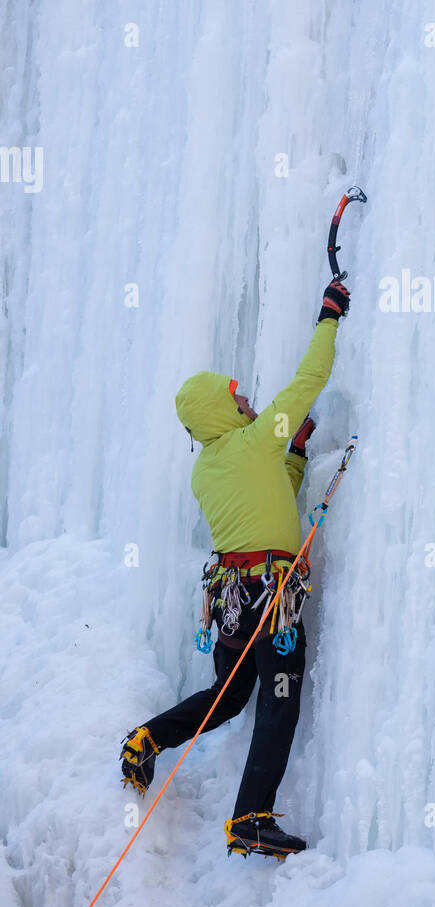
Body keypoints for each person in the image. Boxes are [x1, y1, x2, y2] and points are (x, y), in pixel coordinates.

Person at [120, 279, 351, 859]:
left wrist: (292, 453)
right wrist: (329, 316)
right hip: (270, 600)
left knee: (227, 696)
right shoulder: (253, 440)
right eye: (239, 397)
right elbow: (308, 382)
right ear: (224, 411)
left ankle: (148, 738)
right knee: (280, 696)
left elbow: (269, 495)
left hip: (232, 600)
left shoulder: (213, 468)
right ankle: (249, 816)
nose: (249, 401)